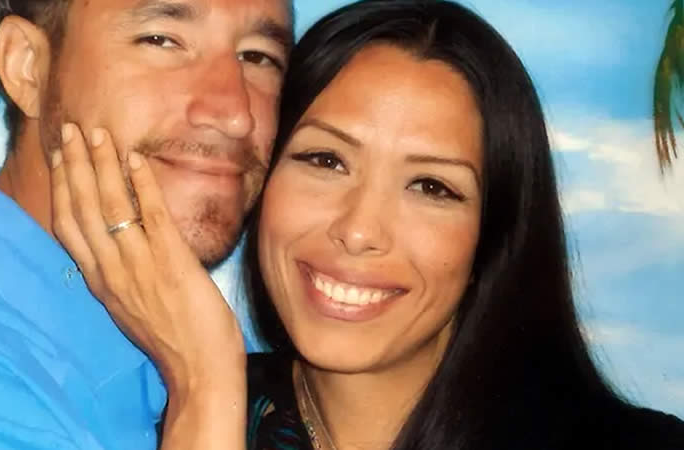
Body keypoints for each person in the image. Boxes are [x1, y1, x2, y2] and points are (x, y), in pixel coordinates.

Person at [51, 0, 684, 449]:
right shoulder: (145, 421)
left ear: (492, 236)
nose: (358, 230)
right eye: (326, 160)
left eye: (431, 187)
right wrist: (206, 393)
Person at [0, 0, 293, 448]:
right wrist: (204, 389)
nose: (235, 114)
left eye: (258, 57)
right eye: (161, 40)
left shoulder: (225, 331)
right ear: (28, 67)